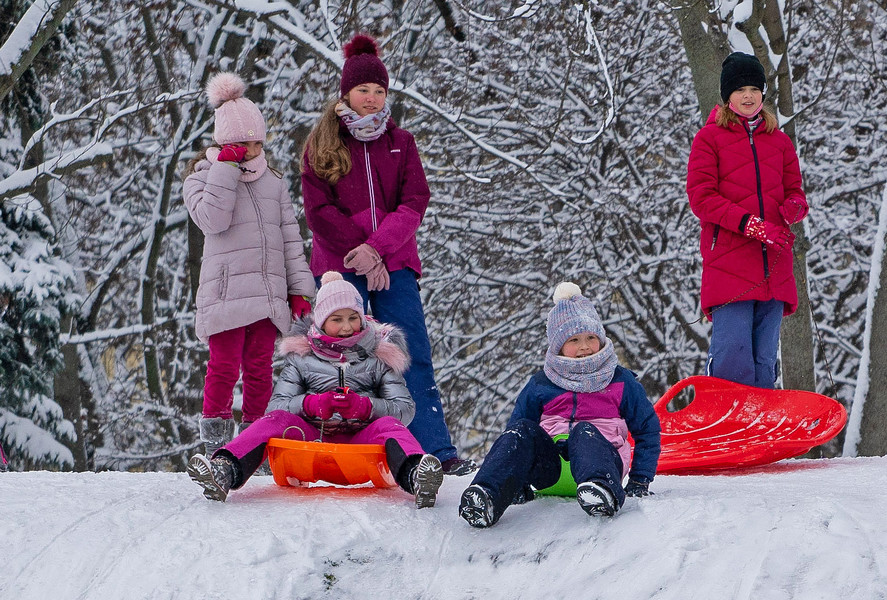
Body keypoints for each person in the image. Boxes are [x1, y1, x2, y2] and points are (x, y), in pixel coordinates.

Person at [300, 34, 474, 476]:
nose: (373, 99)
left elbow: (414, 201)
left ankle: (434, 450)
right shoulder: (320, 144)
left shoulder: (402, 142)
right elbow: (318, 211)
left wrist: (377, 250)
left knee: (409, 350)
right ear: (346, 93)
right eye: (364, 90)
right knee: (339, 356)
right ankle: (335, 445)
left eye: (380, 91)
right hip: (341, 269)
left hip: (394, 263)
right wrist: (360, 254)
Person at [186, 272, 444, 507]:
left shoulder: (379, 357)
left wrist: (365, 408)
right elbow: (278, 405)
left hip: (363, 442)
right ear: (321, 321)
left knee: (390, 425)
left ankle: (416, 476)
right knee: (274, 420)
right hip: (311, 438)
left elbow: (405, 410)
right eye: (337, 319)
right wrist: (310, 404)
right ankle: (225, 470)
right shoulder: (301, 357)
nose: (346, 327)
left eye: (353, 318)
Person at [183, 72, 316, 456]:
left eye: (256, 142)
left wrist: (299, 290)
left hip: (267, 294)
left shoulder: (272, 182)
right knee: (223, 367)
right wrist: (226, 168)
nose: (252, 150)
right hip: (225, 294)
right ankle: (216, 446)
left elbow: (289, 237)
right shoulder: (202, 178)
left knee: (259, 369)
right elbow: (213, 219)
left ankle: (255, 443)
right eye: (242, 143)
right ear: (225, 142)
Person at [458, 282, 661, 527]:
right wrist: (519, 482)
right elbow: (515, 437)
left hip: (601, 464)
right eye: (574, 339)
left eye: (591, 337)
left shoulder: (619, 381)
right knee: (521, 428)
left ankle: (601, 492)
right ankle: (487, 496)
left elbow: (648, 430)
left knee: (583, 430)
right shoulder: (542, 384)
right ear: (558, 345)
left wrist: (640, 480)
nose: (584, 346)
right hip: (551, 472)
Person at [686, 51, 808, 389]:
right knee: (732, 355)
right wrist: (750, 225)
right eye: (740, 89)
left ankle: (758, 433)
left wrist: (794, 207)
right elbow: (702, 198)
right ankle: (727, 426)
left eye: (755, 88)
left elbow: (794, 190)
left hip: (774, 265)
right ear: (727, 96)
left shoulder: (780, 142)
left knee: (764, 359)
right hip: (729, 262)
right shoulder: (708, 139)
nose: (748, 95)